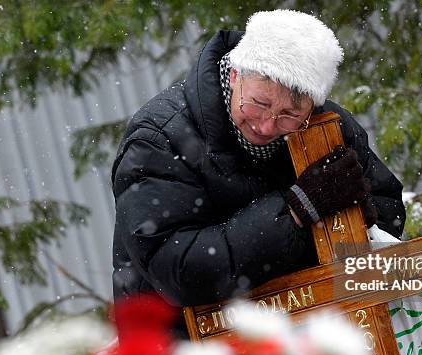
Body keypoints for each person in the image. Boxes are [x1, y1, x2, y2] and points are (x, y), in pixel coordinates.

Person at [111, 9, 406, 336]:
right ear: (236, 74)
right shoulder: (161, 138)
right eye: (259, 104)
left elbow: (389, 213)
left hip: (306, 338)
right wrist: (294, 212)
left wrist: (360, 215)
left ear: (311, 106)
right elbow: (177, 273)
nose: (266, 126)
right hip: (189, 353)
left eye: (289, 116)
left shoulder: (328, 128)